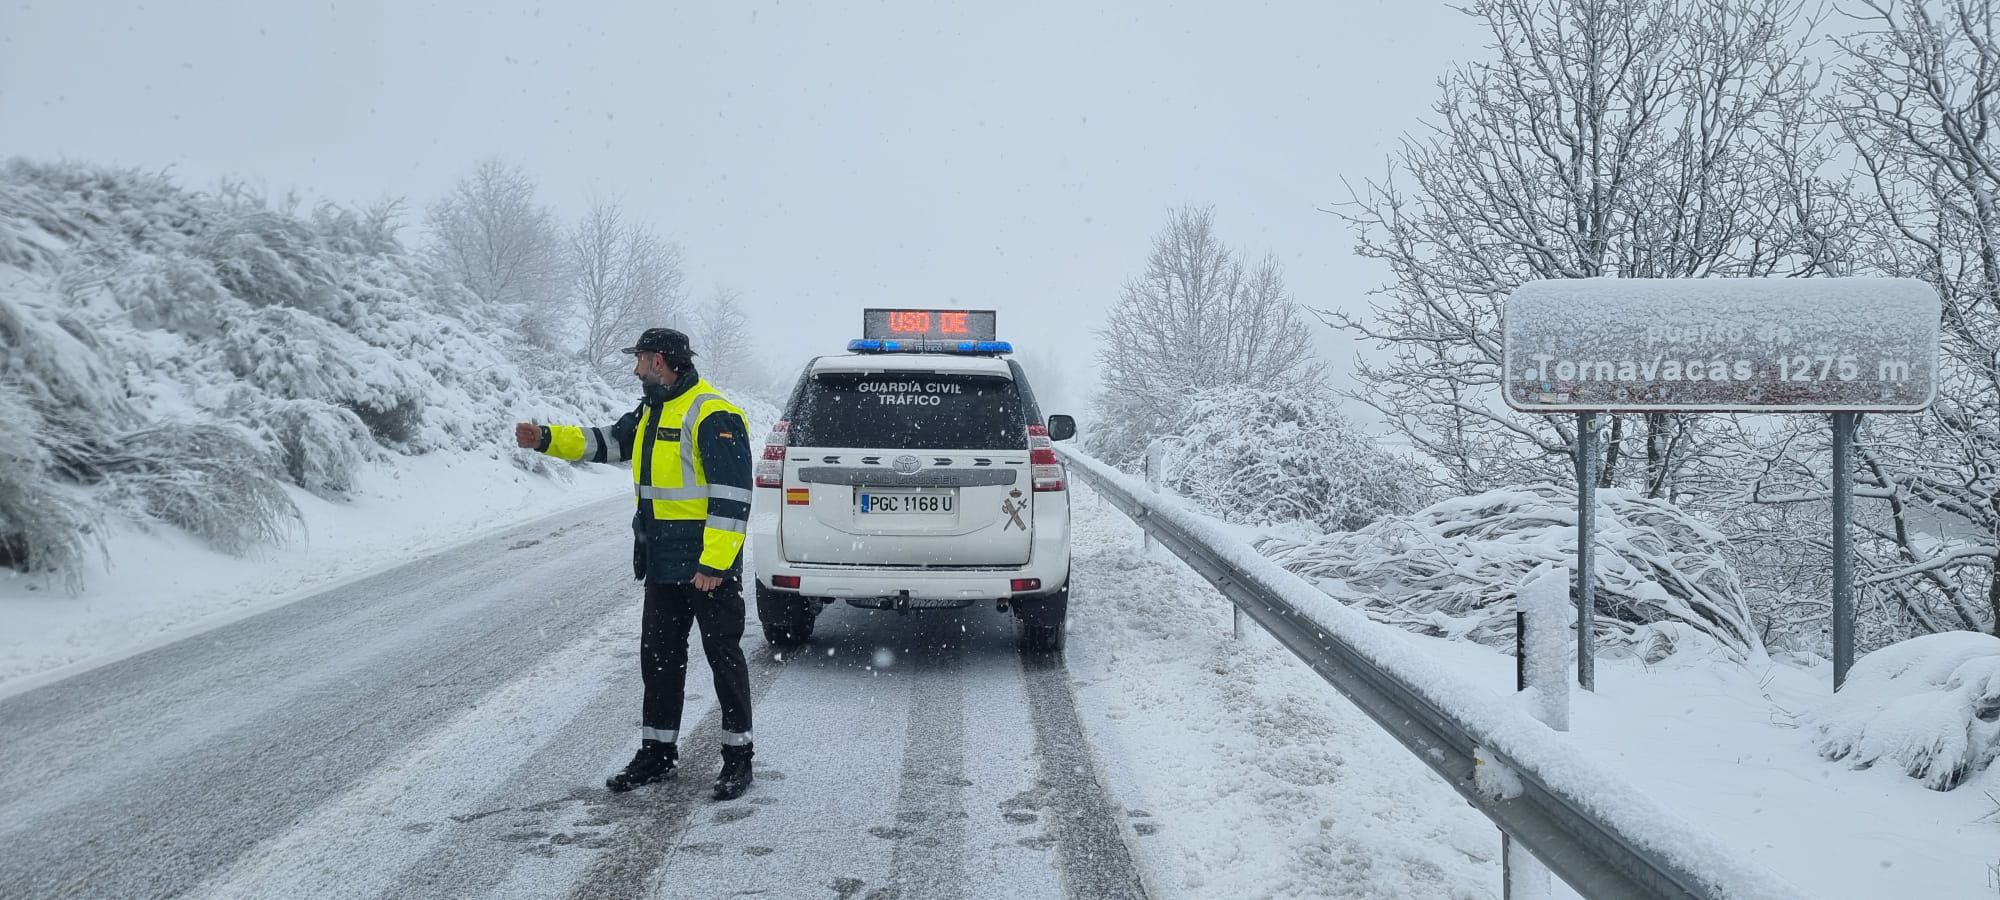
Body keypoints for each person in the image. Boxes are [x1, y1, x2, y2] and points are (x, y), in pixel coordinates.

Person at [513, 327, 757, 800]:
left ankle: (738, 759)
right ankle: (657, 754)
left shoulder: (712, 412)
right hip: (663, 561)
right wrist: (545, 439)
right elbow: (607, 442)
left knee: (723, 658)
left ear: (661, 361)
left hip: (707, 566)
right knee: (660, 660)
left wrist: (713, 564)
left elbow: (733, 495)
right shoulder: (652, 409)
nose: (636, 368)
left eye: (641, 359)